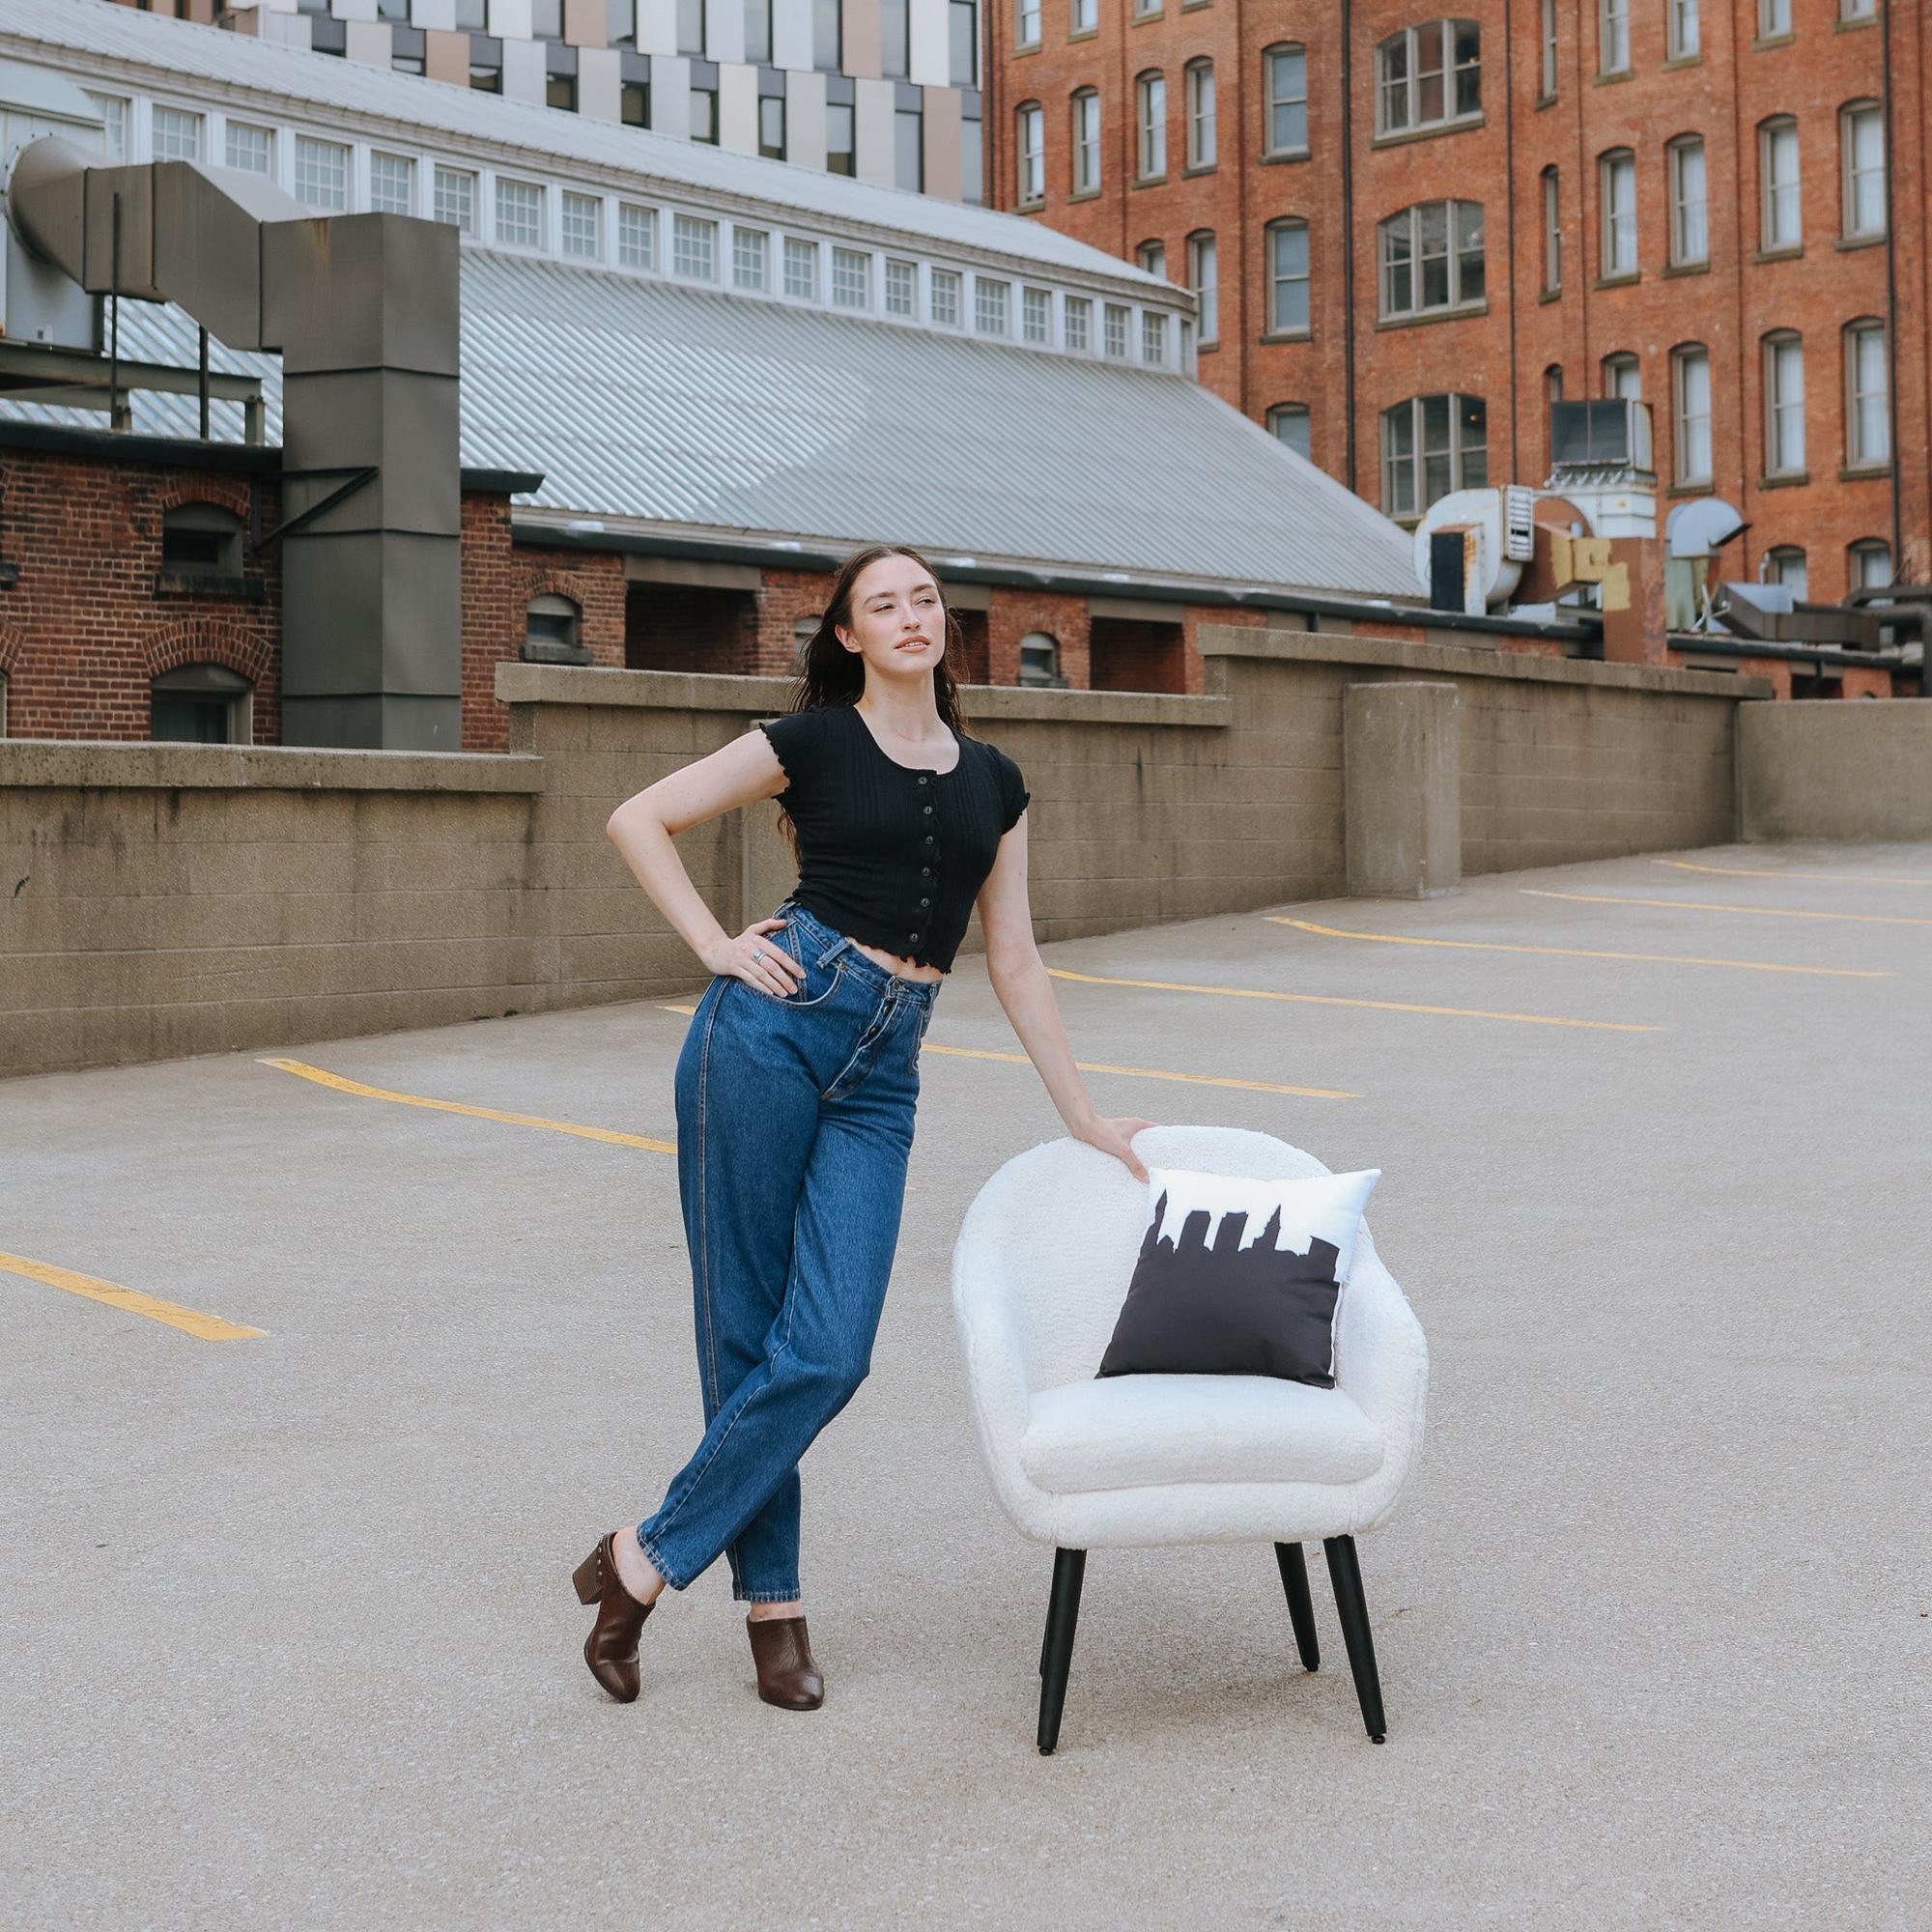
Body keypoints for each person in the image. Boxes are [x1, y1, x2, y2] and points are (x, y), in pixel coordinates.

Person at [582, 542, 1153, 1711]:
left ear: (943, 624)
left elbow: (1013, 957)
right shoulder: (810, 741)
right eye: (881, 604)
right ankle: (773, 1610)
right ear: (847, 634)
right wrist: (713, 944)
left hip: (886, 1069)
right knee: (745, 1330)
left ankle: (639, 1557)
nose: (908, 616)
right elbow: (638, 818)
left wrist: (1082, 1112)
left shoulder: (995, 780)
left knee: (829, 1348)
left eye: (924, 599)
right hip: (769, 1030)